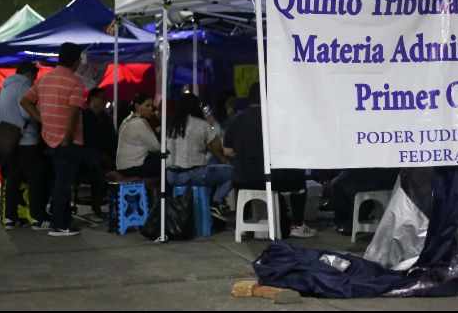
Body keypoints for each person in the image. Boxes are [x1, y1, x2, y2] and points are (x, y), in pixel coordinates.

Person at [223, 82, 316, 238]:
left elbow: (227, 151)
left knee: (245, 178)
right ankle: (297, 225)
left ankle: (245, 223)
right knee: (299, 178)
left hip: (241, 179)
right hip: (270, 178)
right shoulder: (276, 118)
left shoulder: (236, 120)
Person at [21, 42, 86, 237]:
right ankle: (59, 224)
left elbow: (24, 101)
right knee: (63, 182)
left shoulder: (44, 80)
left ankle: (63, 220)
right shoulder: (75, 82)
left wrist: (42, 119)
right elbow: (73, 113)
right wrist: (67, 139)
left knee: (59, 180)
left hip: (49, 138)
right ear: (76, 61)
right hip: (68, 140)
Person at [0, 62, 50, 230]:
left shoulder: (4, 88)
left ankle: (10, 218)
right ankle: (37, 218)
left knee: (14, 178)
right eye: (34, 77)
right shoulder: (23, 85)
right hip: (25, 140)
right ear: (28, 74)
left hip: (9, 141)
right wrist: (41, 114)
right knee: (37, 177)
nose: (34, 81)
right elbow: (25, 112)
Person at [166, 92, 233, 222]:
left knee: (213, 166)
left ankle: (215, 204)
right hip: (193, 174)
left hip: (171, 176)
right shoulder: (201, 124)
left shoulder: (172, 125)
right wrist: (211, 125)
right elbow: (218, 146)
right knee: (234, 172)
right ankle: (216, 202)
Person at [80, 87, 116, 216]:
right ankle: (97, 204)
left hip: (103, 155)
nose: (104, 102)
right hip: (86, 156)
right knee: (94, 158)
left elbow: (112, 140)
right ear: (92, 99)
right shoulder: (83, 117)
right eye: (102, 99)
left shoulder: (106, 119)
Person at [330, 168, 399, 236]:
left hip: (381, 177)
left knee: (338, 183)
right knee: (340, 178)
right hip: (389, 175)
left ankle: (348, 222)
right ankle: (349, 219)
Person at [115, 92, 164, 177]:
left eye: (151, 106)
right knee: (165, 163)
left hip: (123, 166)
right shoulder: (138, 123)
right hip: (133, 167)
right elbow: (155, 147)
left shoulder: (127, 119)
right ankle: (165, 190)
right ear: (137, 106)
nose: (150, 109)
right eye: (147, 106)